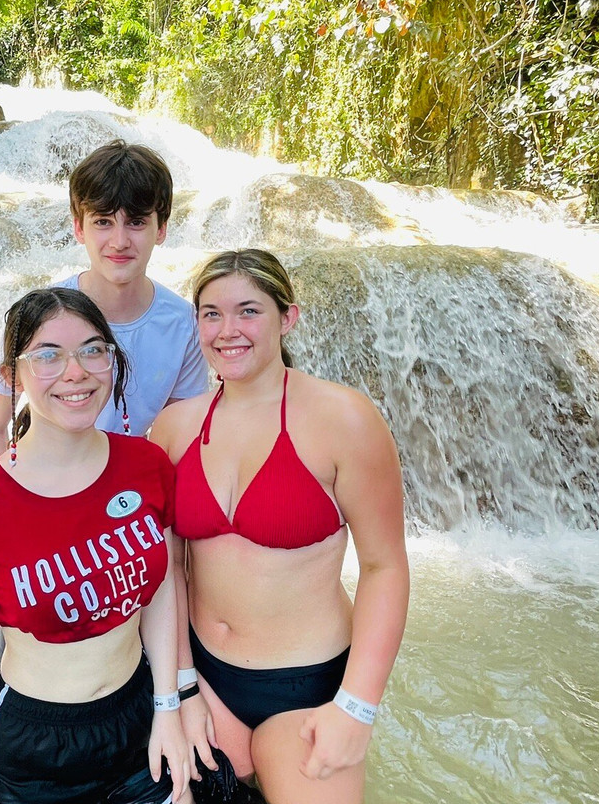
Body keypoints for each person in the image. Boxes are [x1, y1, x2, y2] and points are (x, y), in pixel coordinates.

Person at [150, 250, 409, 804]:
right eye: (211, 314)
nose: (228, 331)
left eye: (248, 311)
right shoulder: (173, 428)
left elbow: (385, 567)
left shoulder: (345, 419)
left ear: (287, 318)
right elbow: (168, 568)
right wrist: (179, 688)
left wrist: (357, 709)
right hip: (206, 681)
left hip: (306, 689)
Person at [0, 287, 192, 804]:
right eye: (48, 355)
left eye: (93, 350)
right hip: (36, 747)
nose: (76, 372)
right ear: (13, 375)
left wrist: (169, 708)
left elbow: (158, 591)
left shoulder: (147, 465)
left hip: (138, 718)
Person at [0, 140, 208, 460]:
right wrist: (7, 500)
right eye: (103, 222)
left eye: (137, 221)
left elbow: (181, 432)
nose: (119, 241)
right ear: (79, 227)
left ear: (161, 228)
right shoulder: (41, 315)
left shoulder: (185, 326)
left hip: (127, 487)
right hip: (45, 474)